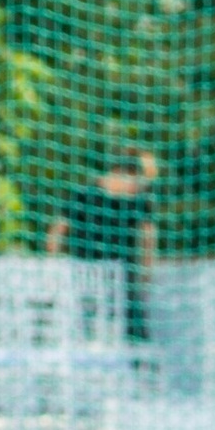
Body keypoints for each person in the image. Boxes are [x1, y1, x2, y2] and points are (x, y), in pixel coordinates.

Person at [46, 146, 161, 343]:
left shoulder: (83, 193)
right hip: (120, 281)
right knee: (128, 323)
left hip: (83, 278)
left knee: (87, 322)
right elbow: (148, 239)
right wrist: (145, 275)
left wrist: (53, 263)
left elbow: (57, 231)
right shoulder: (138, 202)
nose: (143, 187)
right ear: (129, 173)